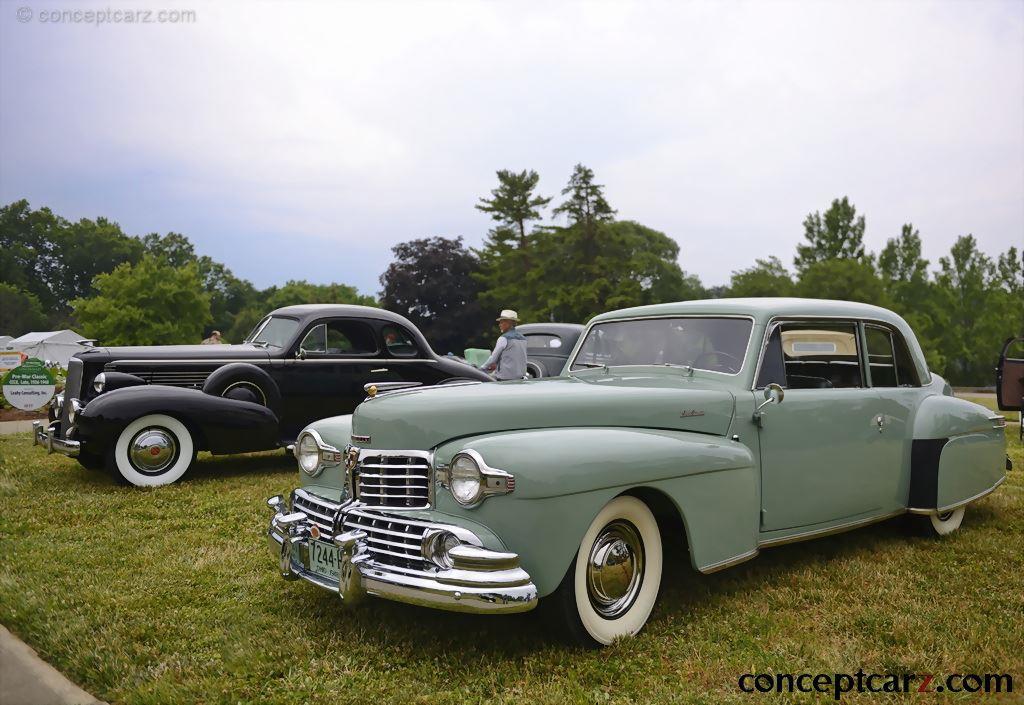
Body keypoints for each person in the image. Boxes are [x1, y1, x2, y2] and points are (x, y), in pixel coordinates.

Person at [481, 309, 528, 380]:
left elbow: (493, 358)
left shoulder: (503, 338)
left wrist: (482, 368)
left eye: (502, 322)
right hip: (520, 377)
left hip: (505, 377)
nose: (499, 325)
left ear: (509, 323)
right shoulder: (523, 339)